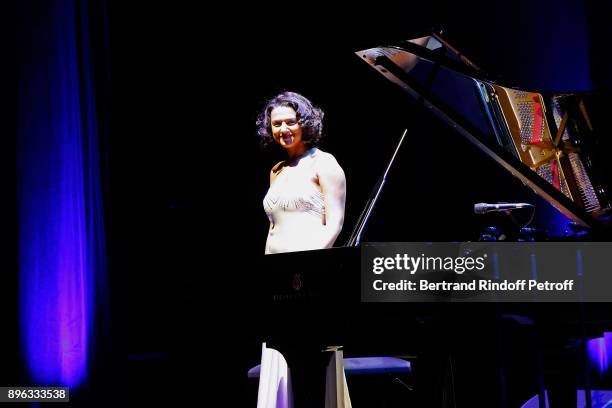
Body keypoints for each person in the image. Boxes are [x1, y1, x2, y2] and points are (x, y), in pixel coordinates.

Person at [257, 91, 346, 254]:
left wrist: (307, 262)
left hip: (304, 267)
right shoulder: (276, 170)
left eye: (290, 122)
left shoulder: (323, 162)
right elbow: (274, 226)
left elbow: (335, 224)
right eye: (277, 124)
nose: (283, 129)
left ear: (304, 124)